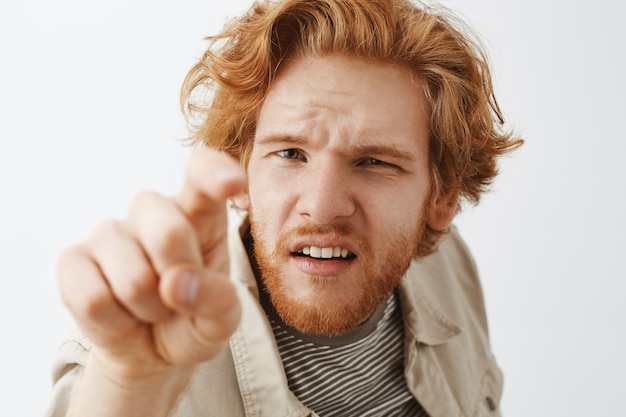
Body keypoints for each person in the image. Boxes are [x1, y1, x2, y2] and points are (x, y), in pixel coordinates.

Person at [45, 0, 522, 416]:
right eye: (290, 154)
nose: (322, 206)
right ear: (240, 172)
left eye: (374, 162)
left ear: (440, 198)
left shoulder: (449, 267)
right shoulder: (129, 363)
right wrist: (128, 388)